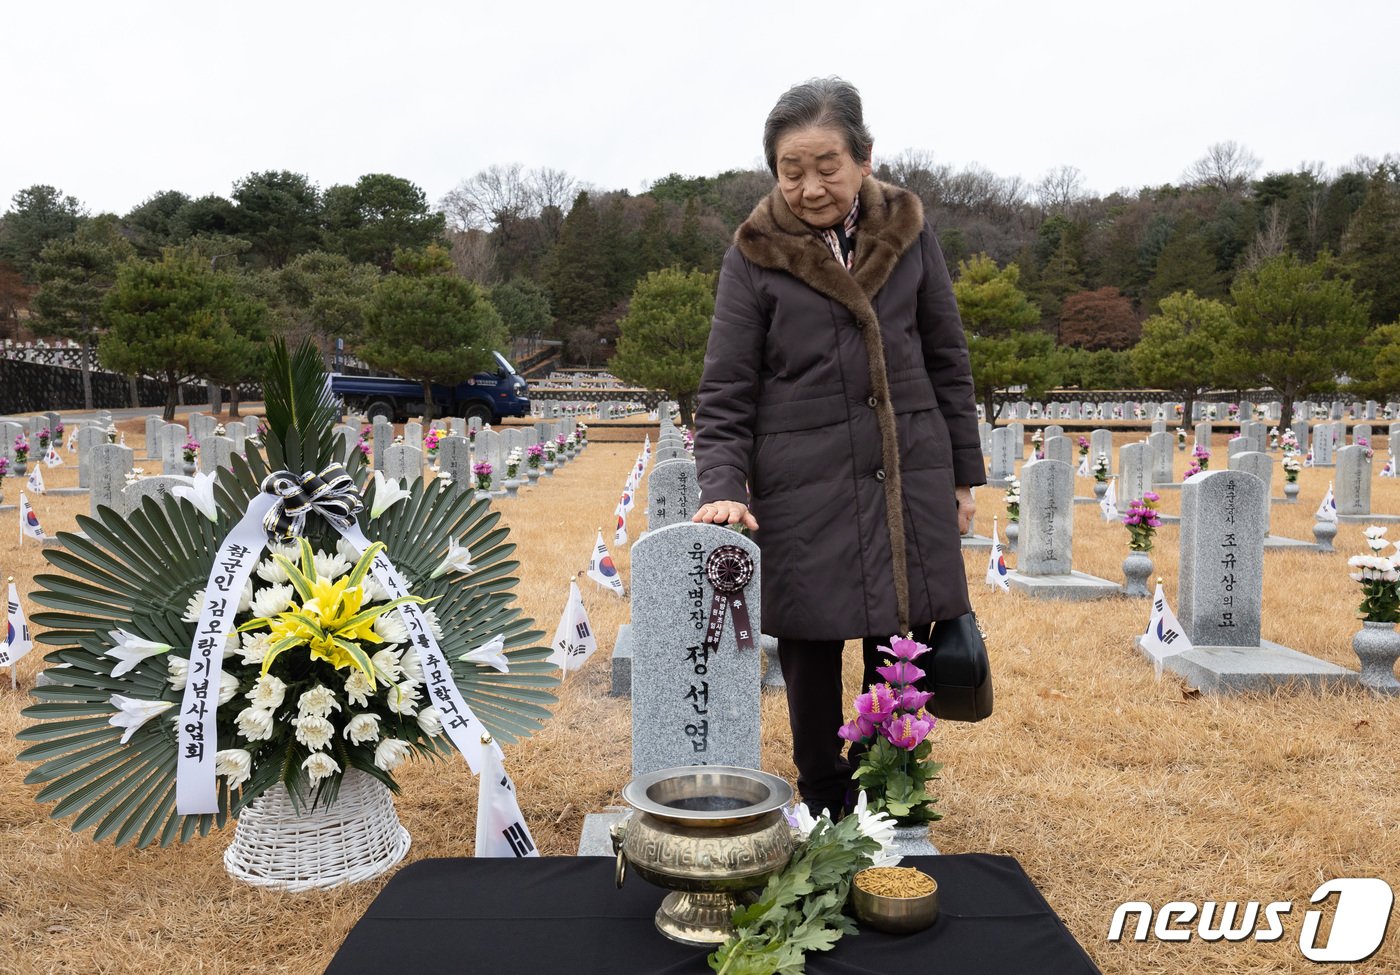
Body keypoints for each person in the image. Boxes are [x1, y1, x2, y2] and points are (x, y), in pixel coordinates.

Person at [691, 77, 985, 817]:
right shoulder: (755, 253)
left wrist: (963, 474)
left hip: (905, 467)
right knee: (812, 644)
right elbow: (726, 388)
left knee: (900, 635)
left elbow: (946, 356)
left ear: (864, 157)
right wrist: (723, 484)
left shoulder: (910, 231)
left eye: (827, 166)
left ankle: (890, 779)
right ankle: (824, 796)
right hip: (802, 480)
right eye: (792, 170)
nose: (811, 186)